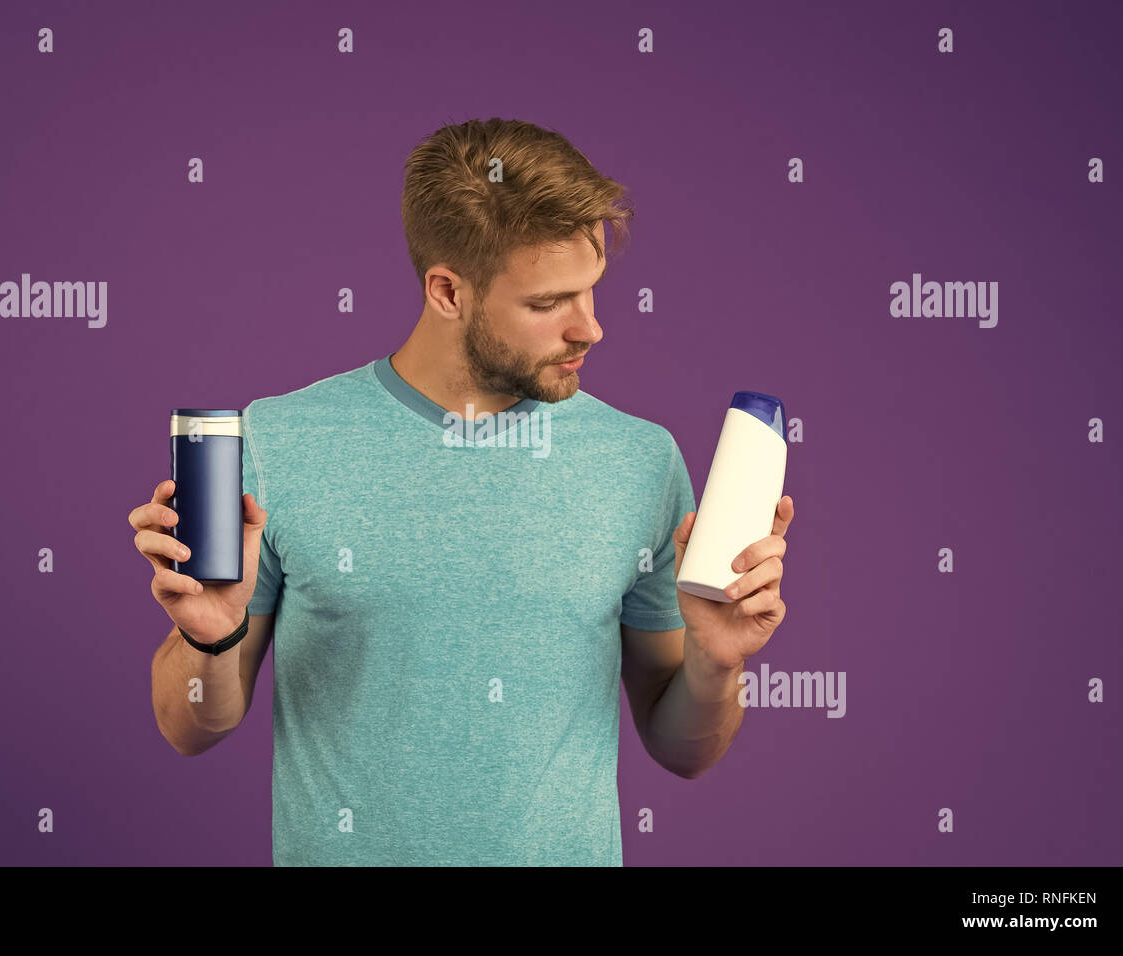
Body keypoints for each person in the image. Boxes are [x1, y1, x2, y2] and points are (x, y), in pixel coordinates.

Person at [130, 117, 792, 866]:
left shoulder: (640, 459)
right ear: (447, 291)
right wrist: (207, 637)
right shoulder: (282, 440)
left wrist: (717, 663)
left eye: (593, 292)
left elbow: (685, 751)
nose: (592, 330)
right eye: (548, 304)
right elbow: (191, 727)